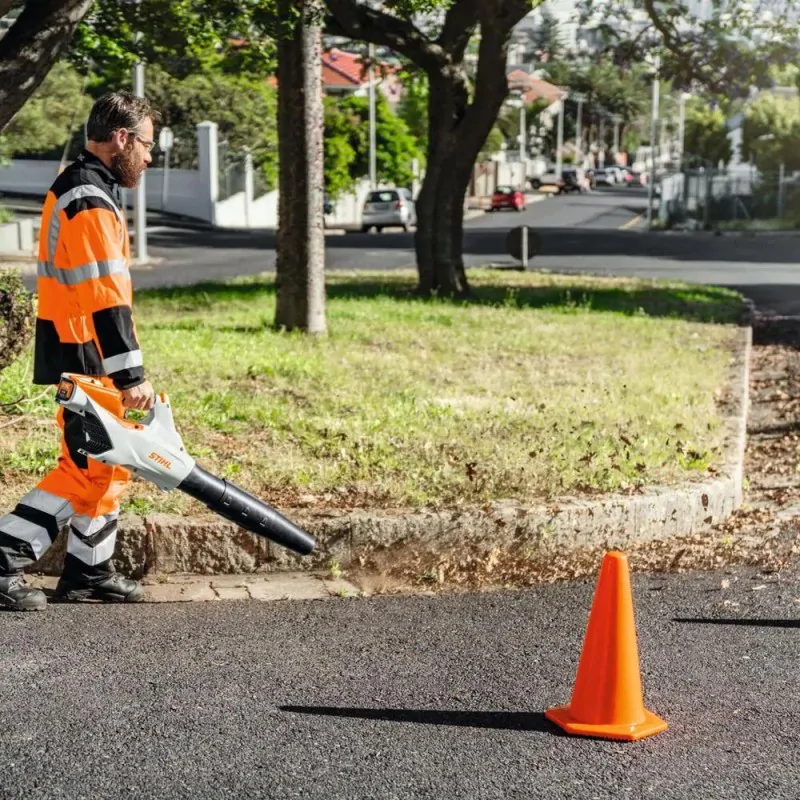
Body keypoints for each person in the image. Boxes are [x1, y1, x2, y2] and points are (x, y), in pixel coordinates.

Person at [0, 92, 158, 611]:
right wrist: (130, 373)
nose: (150, 157)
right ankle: (4, 557)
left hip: (80, 345)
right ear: (122, 139)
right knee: (88, 467)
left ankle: (90, 572)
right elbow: (103, 291)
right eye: (148, 145)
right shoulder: (87, 195)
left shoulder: (89, 188)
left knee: (106, 462)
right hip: (85, 348)